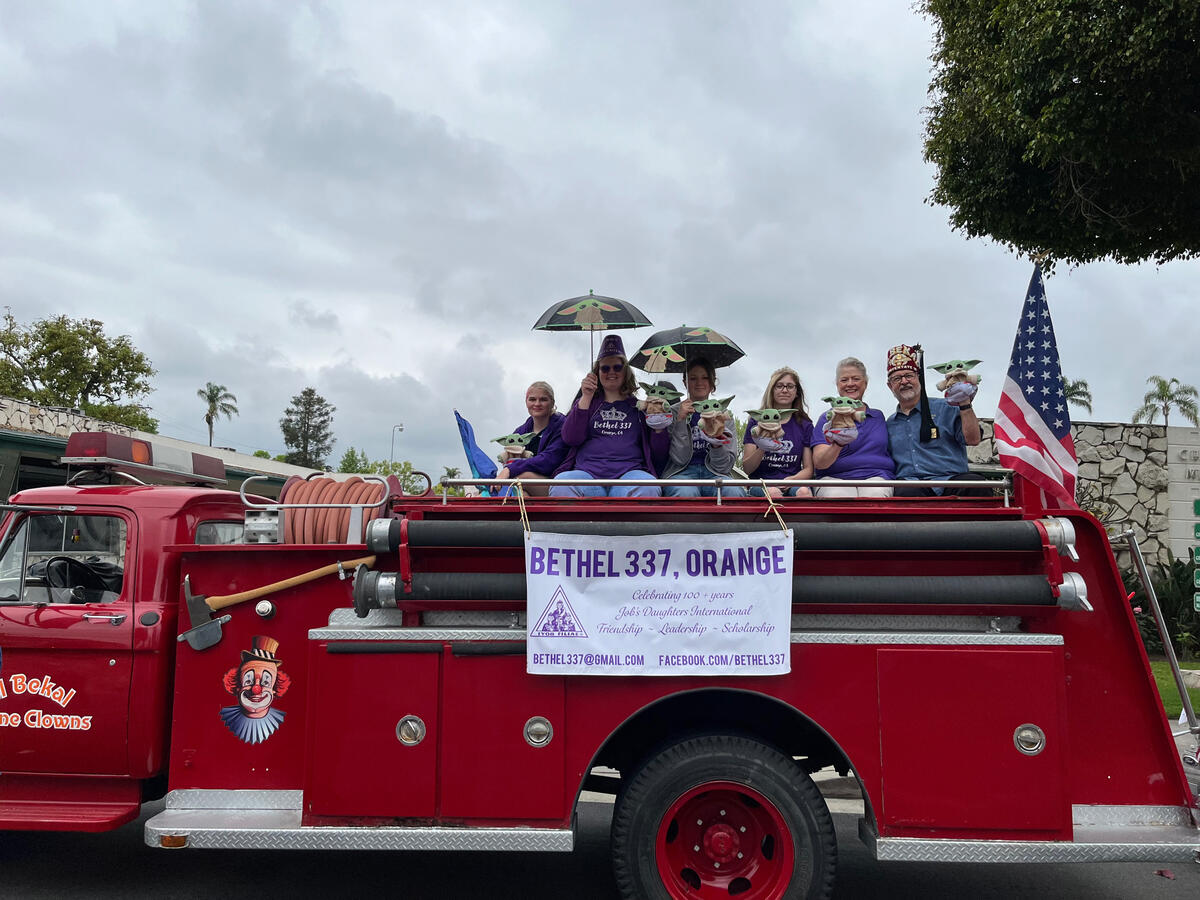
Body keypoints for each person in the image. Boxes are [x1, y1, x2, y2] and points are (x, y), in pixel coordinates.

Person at [550, 335, 669, 497]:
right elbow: (571, 438)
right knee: (561, 484)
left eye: (617, 367)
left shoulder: (640, 408)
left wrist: (659, 428)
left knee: (649, 487)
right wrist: (586, 396)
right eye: (605, 368)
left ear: (625, 371)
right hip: (587, 475)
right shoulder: (586, 403)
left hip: (629, 475)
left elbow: (659, 455)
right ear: (597, 373)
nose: (611, 372)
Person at [884, 344, 987, 496]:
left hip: (952, 480)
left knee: (976, 485)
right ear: (889, 386)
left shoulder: (947, 407)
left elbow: (973, 440)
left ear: (919, 378)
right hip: (911, 486)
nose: (904, 381)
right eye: (897, 378)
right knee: (904, 493)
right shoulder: (889, 425)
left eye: (909, 375)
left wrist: (965, 403)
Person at [810, 357, 895, 497]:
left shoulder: (878, 416)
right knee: (840, 497)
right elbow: (819, 463)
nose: (850, 384)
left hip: (876, 476)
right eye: (844, 380)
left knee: (875, 495)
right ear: (837, 385)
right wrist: (838, 443)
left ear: (865, 383)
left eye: (856, 379)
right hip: (835, 478)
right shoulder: (826, 419)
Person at [662, 358, 746, 498]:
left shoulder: (723, 414)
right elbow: (679, 459)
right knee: (685, 492)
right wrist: (681, 421)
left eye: (705, 377)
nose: (699, 383)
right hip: (681, 474)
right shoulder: (673, 412)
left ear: (713, 382)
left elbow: (724, 467)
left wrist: (717, 441)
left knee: (733, 491)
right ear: (685, 382)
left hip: (715, 474)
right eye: (693, 378)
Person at [743, 366, 814, 497]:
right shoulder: (755, 421)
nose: (784, 390)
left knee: (804, 492)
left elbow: (809, 469)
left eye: (790, 386)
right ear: (772, 390)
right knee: (773, 493)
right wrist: (763, 447)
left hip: (793, 482)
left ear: (797, 392)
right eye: (779, 386)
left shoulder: (805, 425)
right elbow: (747, 468)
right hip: (762, 483)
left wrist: (792, 480)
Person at [495, 381, 568, 497]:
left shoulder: (563, 426)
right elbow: (509, 458)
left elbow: (549, 461)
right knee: (521, 495)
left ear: (552, 403)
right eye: (532, 399)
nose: (537, 404)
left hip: (556, 484)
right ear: (526, 402)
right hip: (527, 486)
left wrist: (509, 470)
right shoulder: (520, 432)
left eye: (543, 399)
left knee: (517, 478)